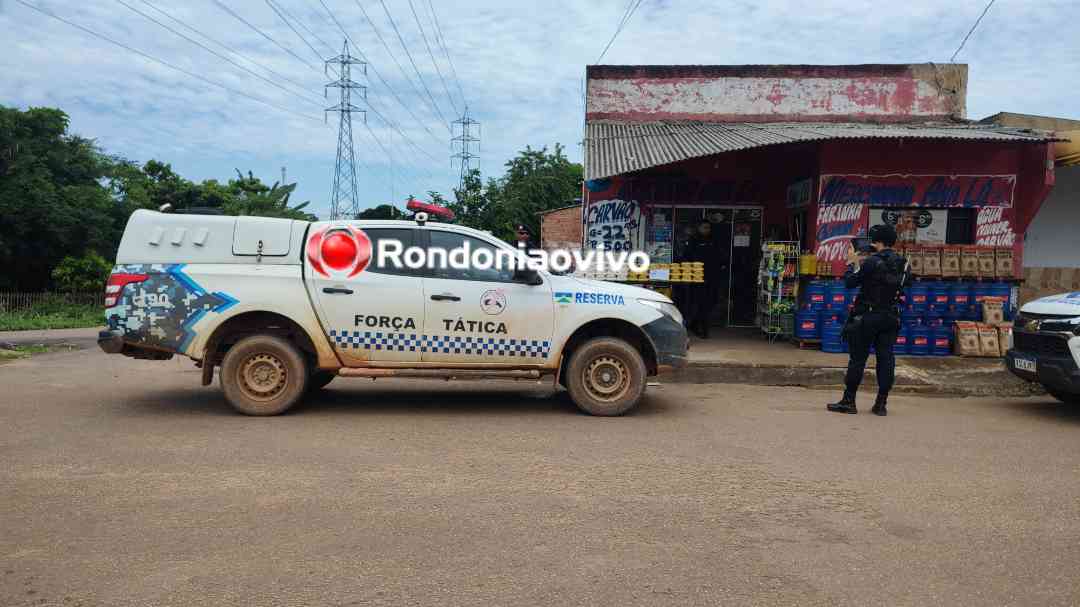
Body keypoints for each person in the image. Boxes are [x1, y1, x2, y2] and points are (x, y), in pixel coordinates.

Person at [827, 224, 911, 416]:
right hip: (891, 317)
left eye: (873, 240)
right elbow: (904, 287)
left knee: (857, 359)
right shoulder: (904, 263)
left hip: (868, 316)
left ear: (878, 241)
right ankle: (881, 404)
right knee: (886, 359)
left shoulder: (872, 262)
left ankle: (849, 401)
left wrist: (852, 263)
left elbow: (850, 282)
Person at [683, 220, 724, 338]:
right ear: (699, 228)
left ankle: (701, 327)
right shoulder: (693, 241)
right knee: (697, 304)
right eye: (704, 227)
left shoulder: (714, 241)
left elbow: (719, 257)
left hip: (711, 278)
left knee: (709, 303)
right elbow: (687, 257)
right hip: (696, 278)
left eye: (708, 228)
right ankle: (698, 328)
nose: (707, 230)